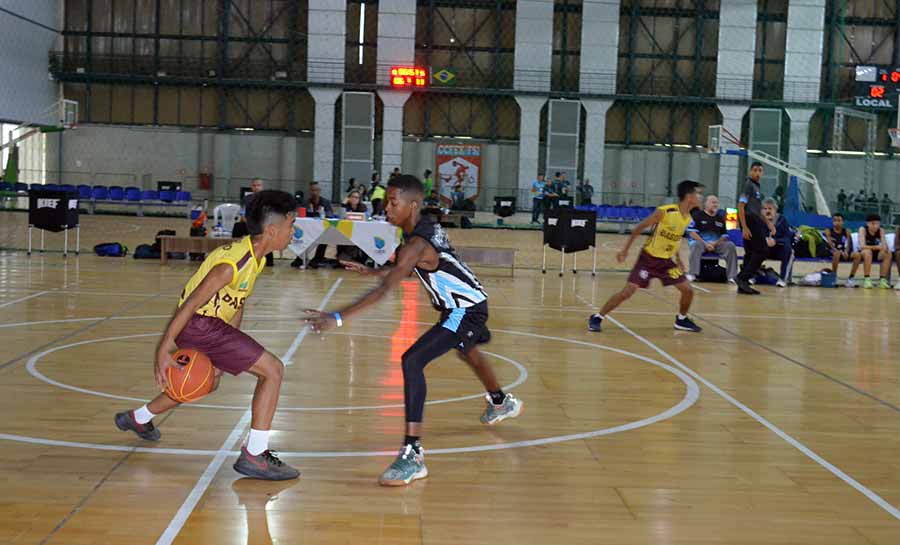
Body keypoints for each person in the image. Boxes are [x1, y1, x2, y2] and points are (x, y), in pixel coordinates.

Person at [305, 175, 523, 486]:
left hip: (466, 311)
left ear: (413, 204)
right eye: (386, 201)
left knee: (412, 361)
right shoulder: (423, 231)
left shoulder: (416, 243)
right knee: (466, 350)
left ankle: (413, 453)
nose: (386, 208)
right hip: (467, 304)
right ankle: (501, 401)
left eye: (393, 202)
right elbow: (406, 270)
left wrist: (336, 318)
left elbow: (385, 290)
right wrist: (374, 270)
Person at [114, 190, 300, 480]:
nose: (293, 233)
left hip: (209, 328)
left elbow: (236, 305)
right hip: (200, 325)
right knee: (273, 371)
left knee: (203, 382)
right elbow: (190, 304)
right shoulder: (233, 263)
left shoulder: (257, 258)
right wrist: (162, 350)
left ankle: (138, 418)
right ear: (272, 230)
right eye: (291, 227)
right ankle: (255, 454)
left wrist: (226, 352)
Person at [588, 180, 704, 334]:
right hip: (648, 259)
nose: (700, 197)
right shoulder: (666, 211)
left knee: (688, 290)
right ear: (689, 196)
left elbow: (674, 239)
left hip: (667, 263)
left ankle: (682, 319)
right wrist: (625, 250)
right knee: (628, 291)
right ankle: (597, 317)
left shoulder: (688, 218)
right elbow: (639, 228)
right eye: (698, 194)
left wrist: (678, 259)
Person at [735, 162, 776, 295]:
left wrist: (768, 223)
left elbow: (758, 210)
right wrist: (745, 227)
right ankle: (742, 277)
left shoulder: (756, 187)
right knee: (762, 250)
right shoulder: (748, 185)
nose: (758, 173)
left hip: (755, 219)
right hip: (749, 221)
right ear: (750, 171)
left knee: (751, 252)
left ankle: (743, 285)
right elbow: (740, 206)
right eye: (755, 170)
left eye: (760, 170)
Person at [687, 194, 738, 283]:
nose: (715, 205)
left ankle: (732, 276)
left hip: (716, 244)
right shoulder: (697, 215)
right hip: (701, 243)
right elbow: (692, 233)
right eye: (713, 202)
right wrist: (706, 244)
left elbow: (724, 236)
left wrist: (714, 244)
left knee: (730, 245)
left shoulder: (720, 218)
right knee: (696, 245)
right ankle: (692, 274)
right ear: (705, 204)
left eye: (717, 203)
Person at [235, 178, 275, 267]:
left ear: (262, 187)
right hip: (249, 224)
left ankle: (268, 259)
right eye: (254, 185)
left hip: (262, 224)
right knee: (238, 227)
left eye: (258, 185)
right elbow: (242, 215)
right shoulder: (246, 199)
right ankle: (235, 254)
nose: (256, 187)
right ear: (251, 187)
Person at [761, 198, 794, 287]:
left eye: (770, 209)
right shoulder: (759, 220)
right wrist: (764, 240)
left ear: (775, 210)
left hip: (778, 249)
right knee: (753, 248)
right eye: (765, 209)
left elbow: (787, 238)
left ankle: (783, 279)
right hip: (764, 249)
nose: (767, 211)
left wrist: (776, 241)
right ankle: (751, 276)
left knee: (789, 251)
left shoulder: (782, 220)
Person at [854, 213, 892, 289]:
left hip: (876, 252)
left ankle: (882, 280)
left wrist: (884, 248)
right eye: (873, 223)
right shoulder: (863, 229)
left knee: (888, 253)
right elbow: (862, 246)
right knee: (867, 252)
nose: (875, 226)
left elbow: (884, 245)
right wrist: (877, 247)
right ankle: (867, 279)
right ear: (867, 223)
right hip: (864, 253)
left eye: (877, 224)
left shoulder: (881, 230)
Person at [304, 182, 334, 269]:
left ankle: (318, 257)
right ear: (309, 191)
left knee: (327, 235)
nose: (314, 192)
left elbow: (330, 215)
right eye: (312, 190)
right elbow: (302, 215)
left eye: (316, 190)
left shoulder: (326, 202)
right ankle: (300, 258)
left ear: (319, 191)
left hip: (323, 229)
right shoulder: (305, 202)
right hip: (308, 228)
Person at [824, 213, 858, 283]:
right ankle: (834, 275)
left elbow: (848, 244)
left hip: (844, 252)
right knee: (837, 253)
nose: (837, 222)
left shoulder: (847, 231)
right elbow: (830, 244)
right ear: (833, 222)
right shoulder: (828, 230)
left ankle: (851, 278)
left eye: (839, 220)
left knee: (857, 255)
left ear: (842, 222)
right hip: (832, 251)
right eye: (835, 220)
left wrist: (846, 251)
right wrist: (839, 251)